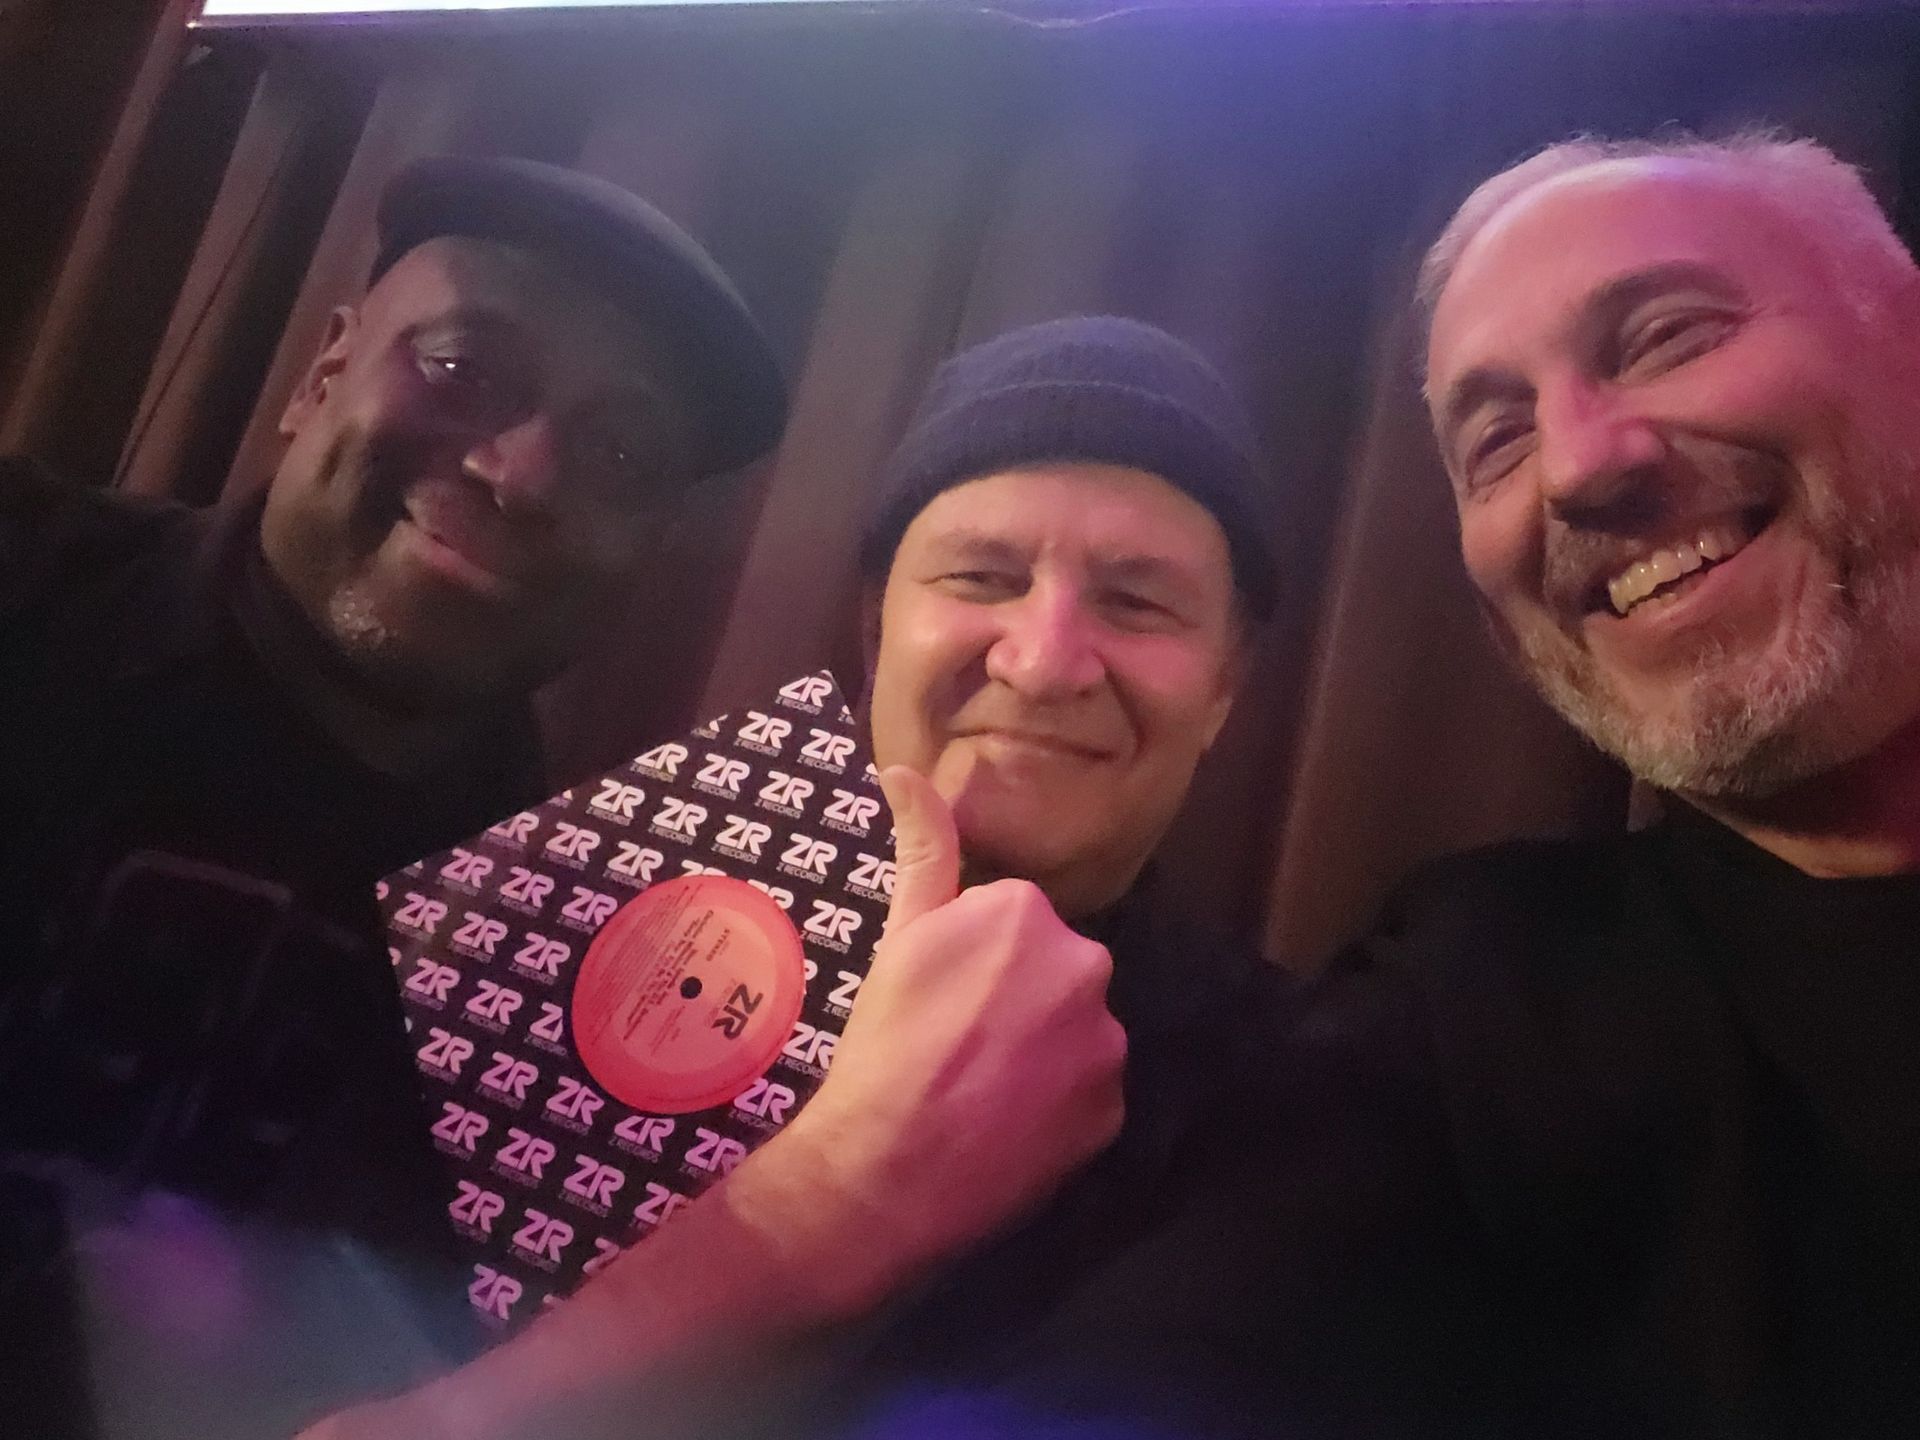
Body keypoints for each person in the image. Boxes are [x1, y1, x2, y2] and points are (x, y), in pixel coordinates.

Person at [929, 132, 1920, 1439]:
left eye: (1671, 335)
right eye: (1497, 440)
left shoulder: (1244, 1030)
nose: (1579, 464)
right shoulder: (1476, 1000)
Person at [302, 315, 1287, 1440]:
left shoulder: (1287, 1103)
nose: (1043, 661)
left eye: (1138, 603)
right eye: (982, 575)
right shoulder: (531, 932)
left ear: (1223, 688)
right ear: (878, 628)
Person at [0, 154, 787, 1430]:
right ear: (323, 374)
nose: (521, 472)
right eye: (462, 369)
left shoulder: (563, 991)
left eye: (618, 450)